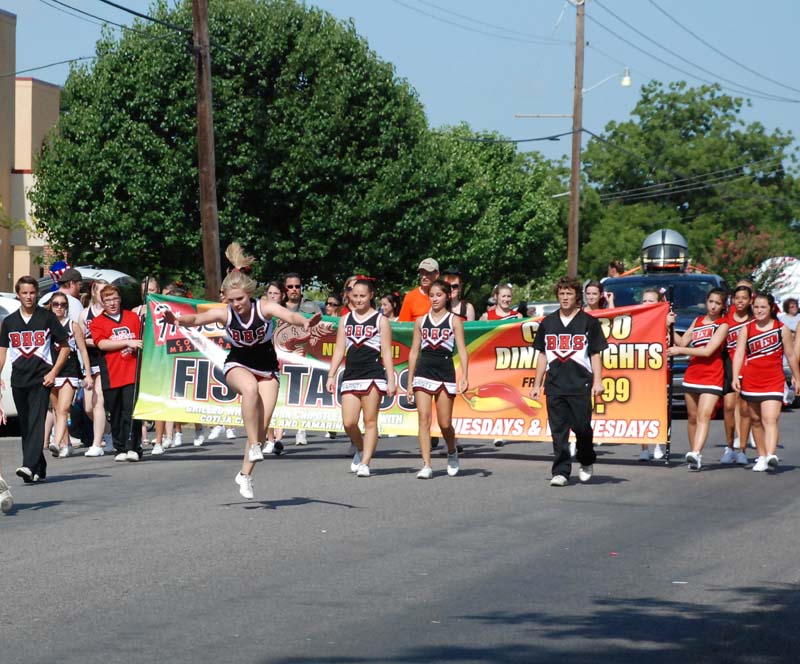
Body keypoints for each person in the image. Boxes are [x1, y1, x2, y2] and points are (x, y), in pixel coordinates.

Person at [163, 243, 320, 499]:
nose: (237, 304)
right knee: (249, 390)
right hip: (238, 363)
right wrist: (178, 320)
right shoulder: (225, 313)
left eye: (241, 299)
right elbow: (195, 319)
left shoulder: (265, 307)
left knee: (263, 422)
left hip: (267, 366)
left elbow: (289, 316)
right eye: (232, 300)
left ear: (250, 294)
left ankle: (245, 475)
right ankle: (256, 444)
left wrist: (306, 322)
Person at [531, 276, 608, 486]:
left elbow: (595, 354)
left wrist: (597, 381)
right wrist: (537, 384)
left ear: (576, 297)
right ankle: (561, 471)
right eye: (562, 294)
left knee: (582, 428)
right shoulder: (547, 323)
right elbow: (542, 354)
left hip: (580, 384)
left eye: (569, 294)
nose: (565, 298)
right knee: (558, 432)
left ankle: (586, 459)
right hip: (555, 385)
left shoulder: (588, 322)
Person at [0, 276, 71, 484]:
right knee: (25, 424)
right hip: (19, 379)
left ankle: (29, 466)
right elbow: (3, 350)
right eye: (25, 293)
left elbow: (65, 347)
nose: (29, 296)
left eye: (32, 292)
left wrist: (53, 372)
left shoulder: (47, 318)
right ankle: (39, 466)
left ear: (36, 293)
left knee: (36, 422)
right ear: (18, 295)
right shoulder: (10, 321)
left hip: (41, 379)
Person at [326, 278, 396, 478]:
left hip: (373, 374)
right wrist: (331, 375)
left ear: (371, 296)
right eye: (354, 296)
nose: (358, 300)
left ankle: (366, 462)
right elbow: (340, 349)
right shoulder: (345, 319)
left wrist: (391, 379)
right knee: (348, 422)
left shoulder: (380, 320)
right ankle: (361, 446)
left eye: (362, 296)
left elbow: (387, 352)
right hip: (350, 375)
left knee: (370, 420)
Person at [407, 279, 468, 478]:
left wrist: (465, 376)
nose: (434, 299)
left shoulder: (454, 320)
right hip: (424, 371)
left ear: (447, 296)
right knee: (423, 419)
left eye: (439, 295)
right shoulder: (420, 321)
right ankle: (426, 464)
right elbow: (414, 352)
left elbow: (462, 350)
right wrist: (409, 382)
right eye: (431, 295)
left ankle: (452, 450)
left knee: (444, 423)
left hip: (444, 370)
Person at [734, 293, 800, 472]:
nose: (759, 310)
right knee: (755, 419)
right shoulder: (747, 328)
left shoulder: (781, 328)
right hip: (751, 380)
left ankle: (771, 454)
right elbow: (739, 354)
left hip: (774, 380)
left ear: (771, 308)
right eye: (756, 307)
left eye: (763, 307)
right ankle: (762, 456)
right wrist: (735, 377)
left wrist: (797, 376)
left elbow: (791, 354)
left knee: (770, 418)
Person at [667, 288, 729, 471]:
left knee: (704, 415)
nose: (713, 306)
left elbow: (708, 351)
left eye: (718, 303)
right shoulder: (698, 320)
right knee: (693, 417)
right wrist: (668, 325)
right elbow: (681, 342)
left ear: (723, 305)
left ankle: (696, 452)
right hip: (693, 374)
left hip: (712, 375)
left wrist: (681, 351)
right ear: (706, 302)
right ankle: (694, 456)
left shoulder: (723, 324)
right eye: (711, 302)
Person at [90, 284, 144, 462]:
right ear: (102, 302)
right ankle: (119, 446)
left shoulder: (132, 317)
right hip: (111, 373)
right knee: (115, 411)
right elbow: (102, 344)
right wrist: (128, 342)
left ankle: (133, 447)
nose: (112, 303)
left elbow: (142, 338)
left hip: (132, 372)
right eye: (107, 300)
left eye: (115, 299)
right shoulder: (98, 322)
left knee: (131, 411)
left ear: (120, 299)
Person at [48, 292, 93, 459]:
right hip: (51, 371)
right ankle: (66, 444)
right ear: (50, 306)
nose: (59, 307)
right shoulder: (46, 325)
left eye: (63, 304)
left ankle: (56, 441)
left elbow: (83, 350)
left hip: (70, 371)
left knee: (63, 408)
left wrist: (88, 374)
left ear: (67, 307)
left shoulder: (72, 325)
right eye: (56, 304)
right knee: (56, 409)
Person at [480, 283, 522, 447]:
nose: (506, 299)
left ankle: (503, 431)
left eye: (509, 296)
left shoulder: (517, 316)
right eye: (503, 296)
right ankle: (496, 429)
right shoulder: (486, 316)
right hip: (491, 362)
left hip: (510, 361)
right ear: (496, 297)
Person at [719, 285, 753, 466]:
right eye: (737, 297)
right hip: (729, 364)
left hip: (748, 365)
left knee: (744, 408)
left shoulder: (754, 320)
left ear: (750, 300)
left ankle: (742, 449)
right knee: (729, 406)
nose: (740, 301)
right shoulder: (726, 319)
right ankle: (729, 446)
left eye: (744, 298)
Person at [284, 272, 318, 446]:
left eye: (297, 286)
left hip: (304, 355)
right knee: (280, 393)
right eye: (290, 286)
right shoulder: (277, 306)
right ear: (285, 288)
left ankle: (301, 429)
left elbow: (323, 326)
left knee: (300, 394)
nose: (294, 290)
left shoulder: (311, 306)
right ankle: (277, 433)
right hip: (280, 355)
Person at [80, 279, 111, 457]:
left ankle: (96, 443)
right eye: (100, 291)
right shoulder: (85, 314)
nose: (103, 295)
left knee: (98, 401)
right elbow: (80, 340)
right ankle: (109, 430)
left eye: (106, 291)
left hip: (105, 360)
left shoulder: (110, 313)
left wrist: (99, 341)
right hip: (89, 362)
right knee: (88, 408)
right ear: (93, 292)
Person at [263, 281, 287, 455]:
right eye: (270, 293)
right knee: (265, 403)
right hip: (266, 361)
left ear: (282, 296)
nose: (272, 296)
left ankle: (279, 438)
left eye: (276, 293)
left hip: (286, 361)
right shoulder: (262, 314)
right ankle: (270, 439)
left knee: (282, 401)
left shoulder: (285, 315)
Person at [398, 258, 439, 322]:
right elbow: (402, 325)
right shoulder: (410, 297)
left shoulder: (444, 295)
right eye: (422, 273)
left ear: (436, 275)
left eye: (428, 274)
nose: (424, 277)